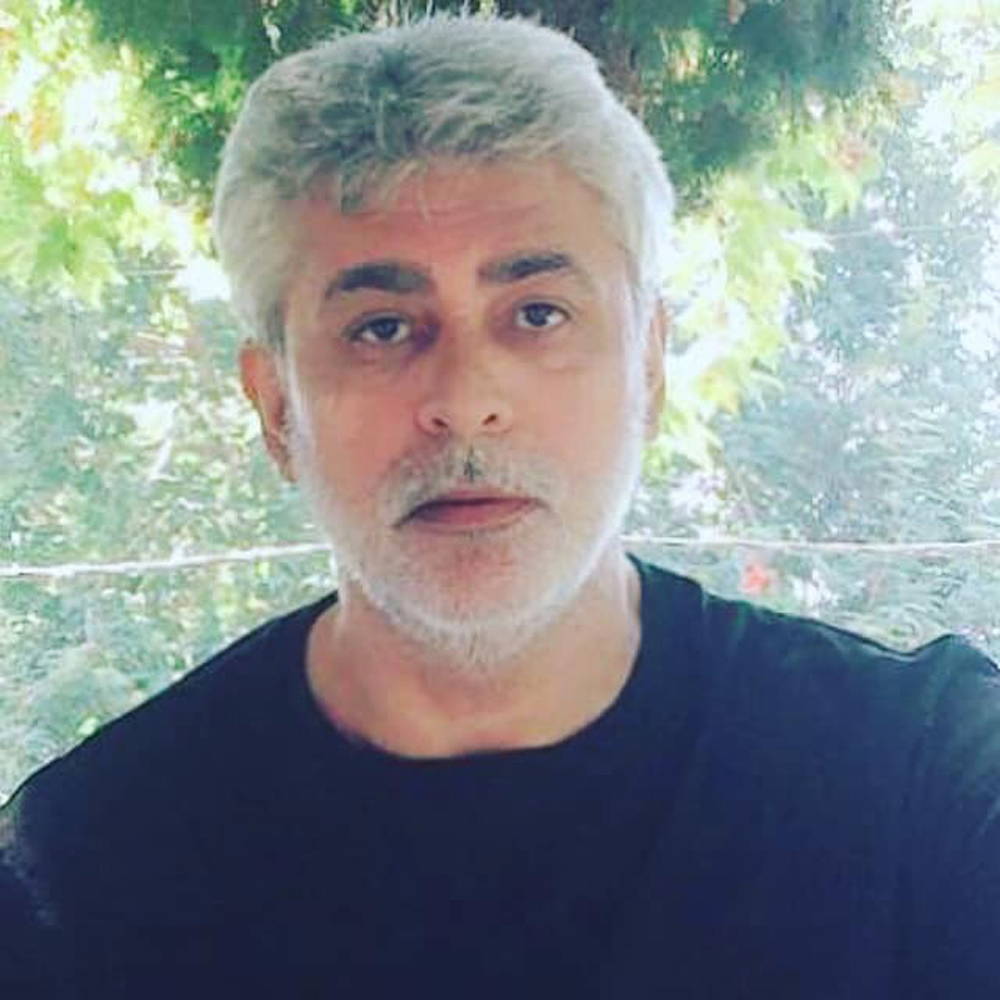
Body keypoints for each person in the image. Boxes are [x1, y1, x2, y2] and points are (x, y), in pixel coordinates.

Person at [2, 14, 999, 999]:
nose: (464, 399)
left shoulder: (923, 787)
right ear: (275, 408)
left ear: (649, 368)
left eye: (537, 313)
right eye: (381, 326)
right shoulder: (82, 879)